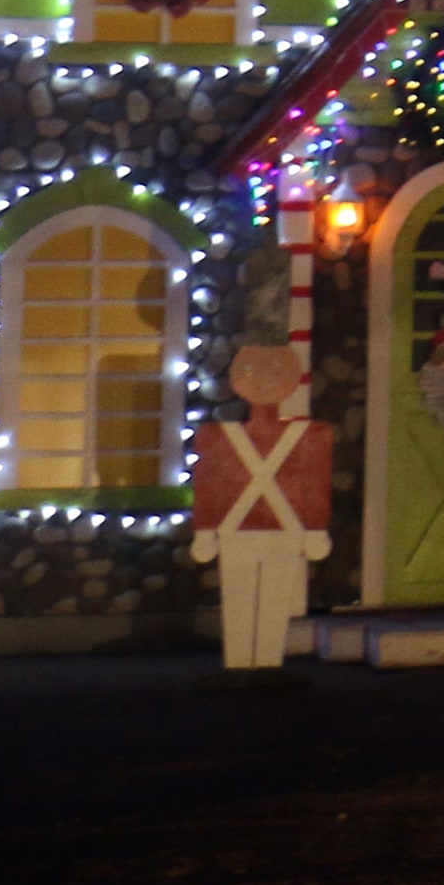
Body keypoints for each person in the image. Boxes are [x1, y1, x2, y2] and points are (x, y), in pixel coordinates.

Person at [191, 250, 330, 675]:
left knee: (271, 601)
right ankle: (242, 662)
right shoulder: (218, 437)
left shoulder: (311, 436)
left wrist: (315, 527)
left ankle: (265, 662)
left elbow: (313, 481)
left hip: (278, 530)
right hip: (240, 531)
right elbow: (211, 483)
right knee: (238, 599)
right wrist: (205, 529)